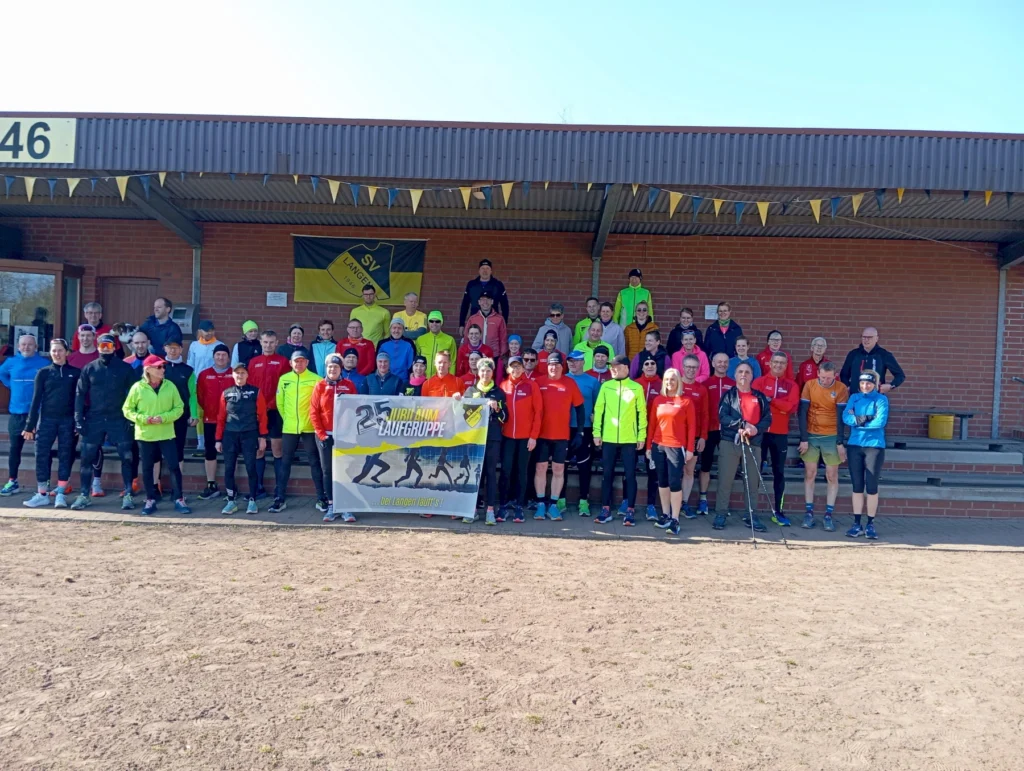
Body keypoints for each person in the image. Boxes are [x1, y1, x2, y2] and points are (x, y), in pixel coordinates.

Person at [70, 334, 138, 511]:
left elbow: (135, 394)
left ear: (115, 347)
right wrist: (78, 419)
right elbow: (79, 394)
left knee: (127, 457)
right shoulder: (89, 368)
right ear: (97, 347)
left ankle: (128, 493)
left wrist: (133, 418)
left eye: (109, 346)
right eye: (102, 346)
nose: (105, 349)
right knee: (87, 457)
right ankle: (84, 494)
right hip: (94, 418)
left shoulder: (125, 368)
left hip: (119, 417)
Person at [122, 355, 192, 515]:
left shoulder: (170, 386)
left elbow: (179, 407)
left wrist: (165, 418)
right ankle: (150, 499)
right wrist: (144, 419)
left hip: (166, 433)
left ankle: (179, 498)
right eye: (159, 367)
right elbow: (127, 410)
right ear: (149, 369)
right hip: (145, 435)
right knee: (147, 468)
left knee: (174, 466)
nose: (162, 370)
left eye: (163, 367)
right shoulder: (137, 387)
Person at [713, 362, 772, 532]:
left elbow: (767, 418)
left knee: (752, 482)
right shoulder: (728, 395)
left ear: (752, 376)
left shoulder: (759, 396)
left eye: (747, 372)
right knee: (725, 480)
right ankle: (721, 514)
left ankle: (751, 515)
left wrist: (756, 428)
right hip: (731, 442)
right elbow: (722, 416)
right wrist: (741, 424)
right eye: (740, 371)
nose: (743, 375)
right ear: (735, 375)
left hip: (753, 444)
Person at [21, 339, 79, 509]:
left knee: (65, 455)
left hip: (67, 421)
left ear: (66, 352)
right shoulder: (43, 372)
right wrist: (29, 425)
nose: (57, 353)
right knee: (41, 454)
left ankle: (60, 493)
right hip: (46, 420)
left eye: (60, 350)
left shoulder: (75, 373)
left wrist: (78, 421)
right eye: (54, 350)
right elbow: (36, 399)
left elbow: (79, 399)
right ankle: (42, 494)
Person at [593, 355, 647, 526]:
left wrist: (641, 436)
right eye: (611, 367)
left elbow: (642, 413)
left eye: (616, 366)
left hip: (629, 439)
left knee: (630, 475)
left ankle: (630, 510)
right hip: (608, 438)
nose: (612, 369)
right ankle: (606, 509)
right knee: (607, 474)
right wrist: (596, 433)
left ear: (626, 367)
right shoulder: (606, 386)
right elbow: (598, 410)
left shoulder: (636, 387)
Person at [270, 350, 325, 514]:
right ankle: (280, 498)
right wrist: (288, 419)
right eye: (296, 361)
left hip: (310, 428)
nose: (299, 364)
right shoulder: (284, 379)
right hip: (289, 428)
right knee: (285, 463)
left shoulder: (317, 379)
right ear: (290, 363)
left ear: (307, 362)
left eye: (302, 361)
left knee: (315, 462)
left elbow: (321, 405)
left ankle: (321, 498)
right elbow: (280, 403)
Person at [532, 352, 585, 521]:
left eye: (557, 365)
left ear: (562, 367)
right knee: (540, 468)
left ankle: (553, 504)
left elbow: (580, 408)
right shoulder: (538, 382)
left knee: (558, 469)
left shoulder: (570, 383)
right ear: (547, 365)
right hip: (541, 435)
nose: (553, 368)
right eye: (550, 364)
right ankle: (541, 503)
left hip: (562, 435)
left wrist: (580, 432)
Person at [799, 361, 849, 531]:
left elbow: (842, 417)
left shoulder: (841, 388)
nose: (826, 381)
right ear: (818, 374)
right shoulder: (809, 385)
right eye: (823, 377)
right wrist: (804, 438)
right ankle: (809, 513)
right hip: (812, 435)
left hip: (832, 436)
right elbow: (802, 412)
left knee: (832, 476)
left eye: (830, 378)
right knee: (810, 473)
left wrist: (840, 443)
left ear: (834, 375)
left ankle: (828, 515)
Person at [647, 369, 697, 535]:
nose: (670, 382)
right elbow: (652, 425)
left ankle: (675, 519)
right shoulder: (658, 400)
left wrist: (690, 449)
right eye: (667, 379)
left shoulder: (686, 402)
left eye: (673, 379)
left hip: (676, 447)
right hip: (658, 445)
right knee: (662, 481)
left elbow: (692, 428)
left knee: (674, 482)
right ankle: (666, 515)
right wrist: (648, 447)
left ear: (678, 381)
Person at [310, 353, 359, 523]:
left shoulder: (349, 385)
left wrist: (349, 432)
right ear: (326, 368)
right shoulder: (320, 386)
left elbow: (356, 410)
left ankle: (346, 507)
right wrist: (322, 435)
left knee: (345, 470)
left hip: (344, 436)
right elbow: (314, 412)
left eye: (336, 367)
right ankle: (331, 506)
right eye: (330, 367)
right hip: (325, 435)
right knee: (328, 471)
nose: (333, 369)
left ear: (341, 369)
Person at [752, 352, 799, 526]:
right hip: (760, 433)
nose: (778, 365)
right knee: (755, 472)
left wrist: (771, 400)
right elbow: (755, 405)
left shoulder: (791, 385)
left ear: (786, 365)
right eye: (776, 362)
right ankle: (752, 511)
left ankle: (778, 512)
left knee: (779, 473)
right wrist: (779, 404)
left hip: (780, 434)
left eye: (782, 363)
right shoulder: (759, 382)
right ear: (770, 363)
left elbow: (791, 407)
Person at [215, 364, 268, 515]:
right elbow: (220, 417)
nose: (239, 375)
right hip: (230, 435)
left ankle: (252, 500)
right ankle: (231, 501)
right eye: (237, 373)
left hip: (249, 434)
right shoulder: (226, 393)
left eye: (242, 373)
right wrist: (218, 439)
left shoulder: (255, 392)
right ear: (233, 375)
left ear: (247, 375)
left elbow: (263, 416)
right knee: (229, 468)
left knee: (251, 467)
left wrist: (262, 437)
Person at [0, 334, 48, 497]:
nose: (26, 347)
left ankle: (44, 484)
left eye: (30, 345)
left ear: (36, 347)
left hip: (38, 414)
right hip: (16, 414)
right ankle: (13, 481)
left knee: (42, 450)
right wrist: (11, 385)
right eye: (23, 345)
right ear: (18, 347)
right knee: (14, 450)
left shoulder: (43, 364)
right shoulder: (11, 362)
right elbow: (2, 374)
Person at [843, 371, 889, 540]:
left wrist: (858, 420)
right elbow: (845, 417)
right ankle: (857, 523)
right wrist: (866, 419)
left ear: (875, 384)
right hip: (855, 445)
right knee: (856, 485)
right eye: (862, 383)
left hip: (874, 447)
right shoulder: (854, 397)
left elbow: (880, 422)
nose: (865, 386)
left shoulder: (881, 399)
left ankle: (870, 523)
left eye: (868, 383)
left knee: (871, 486)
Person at [462, 357, 507, 525]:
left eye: (488, 370)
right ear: (477, 372)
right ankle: (471, 510)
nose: (485, 373)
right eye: (482, 370)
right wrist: (457, 402)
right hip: (474, 439)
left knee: (490, 473)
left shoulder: (498, 392)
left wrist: (497, 408)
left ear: (492, 372)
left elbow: (505, 418)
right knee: (473, 475)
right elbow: (461, 415)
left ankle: (489, 510)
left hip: (493, 439)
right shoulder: (470, 391)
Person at [498, 355, 541, 523]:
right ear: (508, 369)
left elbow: (538, 413)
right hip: (507, 437)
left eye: (518, 366)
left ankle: (519, 508)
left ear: (523, 368)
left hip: (525, 438)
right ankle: (502, 505)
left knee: (522, 472)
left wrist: (533, 436)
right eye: (512, 367)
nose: (515, 370)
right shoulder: (503, 386)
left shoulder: (532, 386)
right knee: (506, 471)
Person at [247, 331, 289, 499]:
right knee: (259, 450)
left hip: (275, 411)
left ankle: (279, 489)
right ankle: (258, 487)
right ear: (261, 342)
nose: (268, 345)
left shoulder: (283, 362)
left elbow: (285, 387)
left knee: (278, 449)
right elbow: (249, 386)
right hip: (257, 413)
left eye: (271, 342)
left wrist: (274, 404)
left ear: (277, 342)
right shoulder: (253, 362)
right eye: (265, 342)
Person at [154, 339, 198, 489]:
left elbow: (193, 394)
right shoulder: (158, 367)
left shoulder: (188, 370)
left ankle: (177, 488)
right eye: (169, 347)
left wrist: (194, 414)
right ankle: (155, 485)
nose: (172, 351)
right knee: (157, 450)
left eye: (176, 348)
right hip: (160, 417)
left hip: (180, 416)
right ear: (164, 348)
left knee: (178, 450)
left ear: (181, 349)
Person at [194, 343, 234, 500]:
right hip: (210, 420)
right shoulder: (204, 375)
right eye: (218, 355)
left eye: (224, 355)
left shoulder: (234, 374)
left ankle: (231, 486)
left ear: (228, 357)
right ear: (213, 357)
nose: (221, 357)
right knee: (210, 451)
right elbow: (201, 397)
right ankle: (211, 484)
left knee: (231, 453)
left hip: (231, 421)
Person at [697, 353, 735, 515]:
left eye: (725, 362)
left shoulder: (733, 384)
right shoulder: (705, 384)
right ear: (712, 363)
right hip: (710, 430)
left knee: (727, 469)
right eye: (719, 362)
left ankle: (722, 504)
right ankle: (703, 500)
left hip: (728, 431)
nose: (722, 364)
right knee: (705, 465)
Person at [565, 350, 600, 516]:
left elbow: (598, 406)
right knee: (561, 465)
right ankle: (560, 499)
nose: (573, 364)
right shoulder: (563, 379)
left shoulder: (592, 382)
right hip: (563, 428)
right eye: (570, 361)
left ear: (583, 362)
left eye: (576, 361)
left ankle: (584, 501)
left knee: (584, 465)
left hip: (585, 428)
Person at [677, 355, 709, 519]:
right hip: (674, 437)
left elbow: (705, 415)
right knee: (674, 472)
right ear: (682, 367)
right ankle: (671, 505)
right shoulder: (674, 385)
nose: (690, 370)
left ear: (698, 369)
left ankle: (684, 503)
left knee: (689, 471)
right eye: (688, 367)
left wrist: (703, 437)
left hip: (694, 437)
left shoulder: (701, 389)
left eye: (694, 367)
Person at [635, 357, 663, 521]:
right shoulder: (635, 384)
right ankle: (626, 501)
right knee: (629, 468)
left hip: (654, 433)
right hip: (634, 433)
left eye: (653, 363)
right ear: (642, 367)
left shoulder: (662, 385)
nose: (650, 365)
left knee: (653, 471)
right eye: (647, 363)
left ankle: (651, 505)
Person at [188, 319, 221, 456]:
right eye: (206, 330)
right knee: (200, 415)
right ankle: (201, 443)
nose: (209, 333)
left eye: (211, 330)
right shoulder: (194, 345)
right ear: (200, 331)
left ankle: (217, 442)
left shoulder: (219, 345)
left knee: (216, 413)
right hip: (198, 383)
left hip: (214, 384)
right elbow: (191, 364)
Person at [840, 328, 906, 394]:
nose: (866, 340)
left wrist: (891, 386)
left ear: (876, 338)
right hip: (856, 396)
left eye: (869, 337)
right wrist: (847, 386)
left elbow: (900, 375)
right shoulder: (853, 354)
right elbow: (844, 374)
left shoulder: (884, 355)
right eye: (864, 337)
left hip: (876, 397)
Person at [459, 259, 509, 336]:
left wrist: (504, 324)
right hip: (474, 321)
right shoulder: (471, 285)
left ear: (491, 271)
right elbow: (465, 305)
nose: (485, 271)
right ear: (479, 271)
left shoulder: (498, 285)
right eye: (482, 268)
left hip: (493, 322)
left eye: (487, 268)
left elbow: (505, 306)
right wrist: (461, 324)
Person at [464, 289, 508, 360]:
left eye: (488, 299)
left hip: (494, 356)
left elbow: (503, 339)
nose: (485, 302)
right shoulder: (472, 319)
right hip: (476, 355)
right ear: (479, 302)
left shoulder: (499, 319)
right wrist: (466, 352)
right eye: (482, 299)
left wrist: (502, 355)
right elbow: (466, 337)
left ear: (492, 302)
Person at [415, 311, 458, 378]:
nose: (434, 323)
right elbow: (416, 360)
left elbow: (452, 361)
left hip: (442, 379)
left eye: (437, 321)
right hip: (423, 378)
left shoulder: (450, 340)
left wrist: (450, 378)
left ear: (441, 323)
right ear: (428, 323)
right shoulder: (420, 339)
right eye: (431, 321)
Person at [377, 318, 416, 382]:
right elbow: (377, 363)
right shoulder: (382, 344)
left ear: (403, 330)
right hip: (385, 379)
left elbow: (411, 364)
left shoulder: (409, 343)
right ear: (390, 329)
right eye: (394, 328)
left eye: (399, 328)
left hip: (403, 380)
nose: (396, 330)